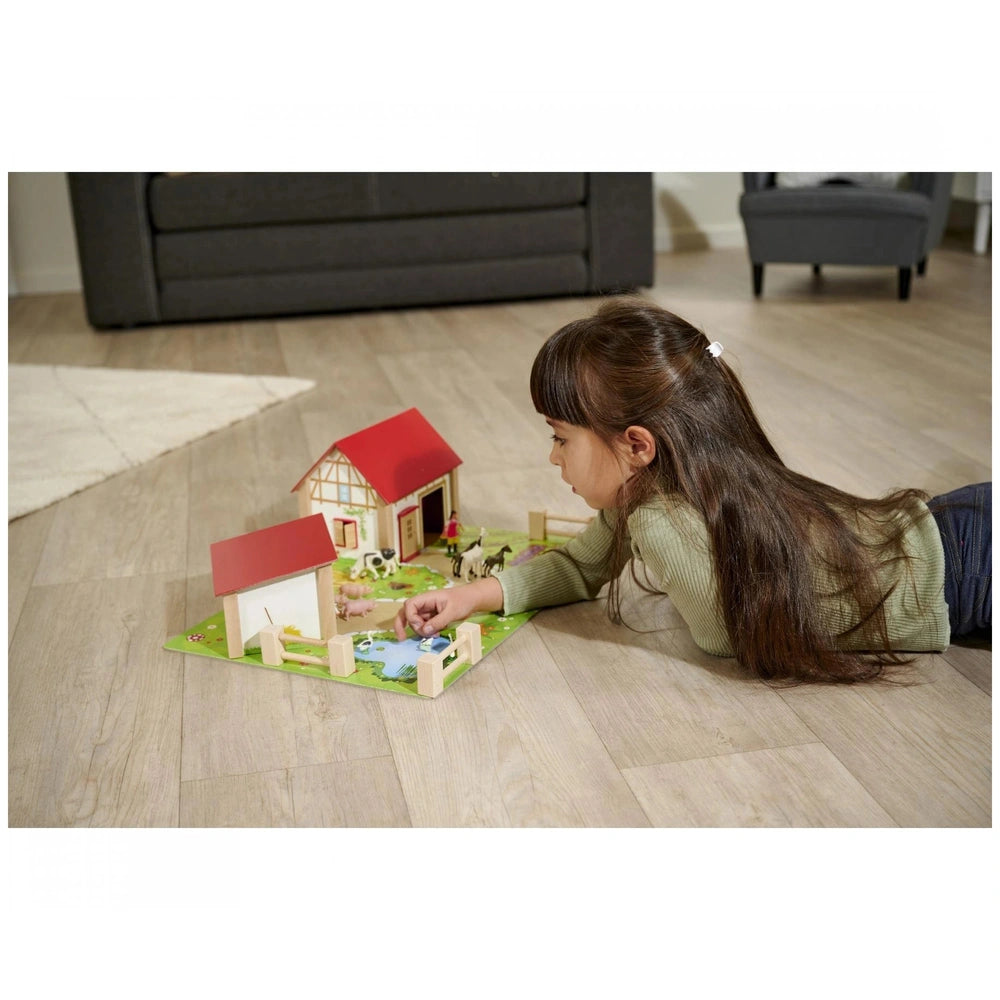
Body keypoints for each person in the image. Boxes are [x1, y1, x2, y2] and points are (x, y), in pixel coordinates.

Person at [395, 298, 991, 683]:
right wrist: (475, 595)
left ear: (637, 445)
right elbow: (580, 568)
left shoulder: (654, 515)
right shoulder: (663, 485)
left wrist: (654, 542)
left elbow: (721, 637)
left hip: (964, 568)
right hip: (949, 534)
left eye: (561, 437)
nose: (553, 457)